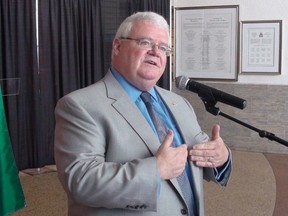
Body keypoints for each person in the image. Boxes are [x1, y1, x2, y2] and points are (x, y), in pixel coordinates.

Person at [54, 11, 232, 216]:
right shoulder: (79, 106)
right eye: (146, 42)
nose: (156, 52)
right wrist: (156, 169)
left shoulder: (179, 103)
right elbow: (81, 181)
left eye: (163, 47)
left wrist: (221, 156)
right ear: (117, 46)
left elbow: (200, 153)